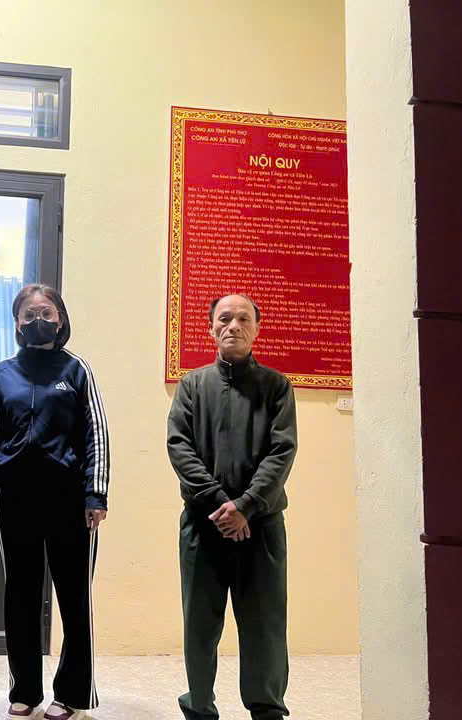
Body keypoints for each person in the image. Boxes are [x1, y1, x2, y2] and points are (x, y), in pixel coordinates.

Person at [0, 284, 111, 720]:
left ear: (60, 319)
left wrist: (96, 493)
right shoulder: (2, 374)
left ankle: (72, 694)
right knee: (20, 595)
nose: (38, 320)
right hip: (16, 499)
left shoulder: (77, 370)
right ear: (17, 323)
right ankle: (24, 691)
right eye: (29, 314)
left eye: (46, 312)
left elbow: (96, 433)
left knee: (74, 597)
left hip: (70, 500)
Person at [167, 294, 298, 720]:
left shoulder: (276, 387)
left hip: (261, 527)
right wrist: (222, 504)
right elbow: (180, 448)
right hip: (203, 526)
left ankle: (267, 708)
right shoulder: (192, 386)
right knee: (200, 625)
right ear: (211, 328)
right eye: (224, 318)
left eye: (244, 319)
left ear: (258, 328)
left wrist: (246, 506)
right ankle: (199, 706)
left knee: (265, 625)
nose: (234, 326)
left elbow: (281, 452)